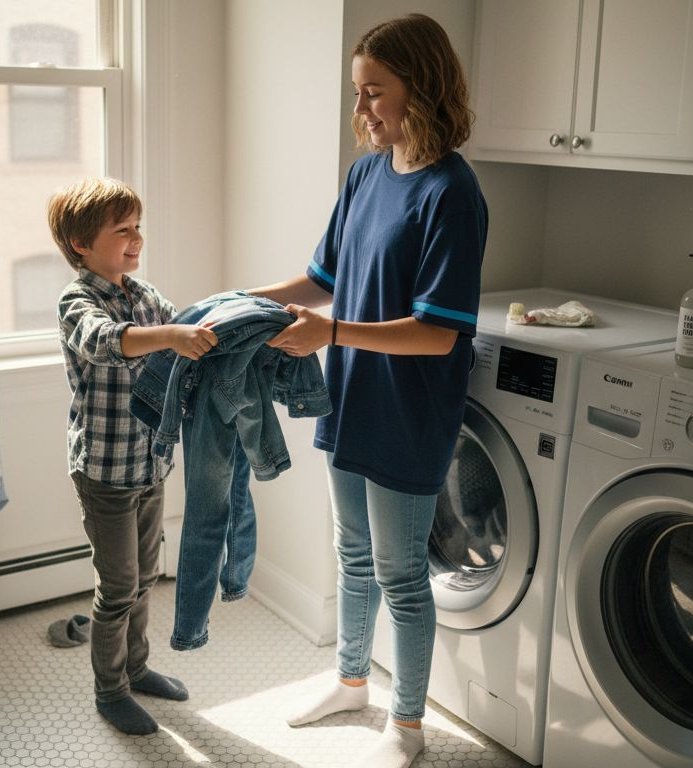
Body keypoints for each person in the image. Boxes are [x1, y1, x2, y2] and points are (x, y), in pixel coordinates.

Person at [247, 14, 487, 768]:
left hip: (409, 410)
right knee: (352, 554)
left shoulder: (453, 193)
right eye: (359, 92)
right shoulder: (366, 175)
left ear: (422, 85)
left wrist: (333, 334)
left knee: (402, 574)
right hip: (349, 397)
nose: (364, 110)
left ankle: (407, 728)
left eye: (375, 91)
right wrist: (240, 304)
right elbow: (321, 281)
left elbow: (438, 331)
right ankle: (352, 682)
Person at [49, 177, 218, 735]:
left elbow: (190, 324)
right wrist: (170, 336)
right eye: (121, 230)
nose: (135, 239)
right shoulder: (77, 301)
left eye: (137, 227)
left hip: (149, 463)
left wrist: (231, 325)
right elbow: (104, 342)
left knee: (146, 578)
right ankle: (109, 690)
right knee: (118, 586)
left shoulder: (145, 297)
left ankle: (137, 667)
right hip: (104, 471)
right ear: (81, 243)